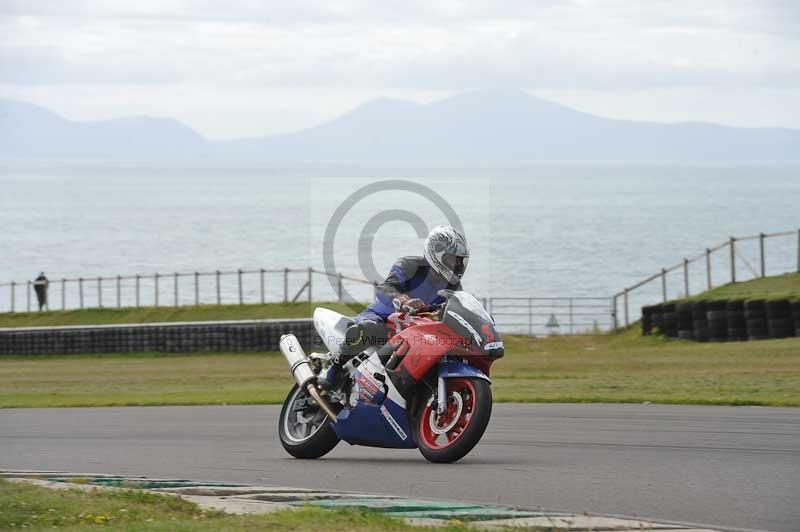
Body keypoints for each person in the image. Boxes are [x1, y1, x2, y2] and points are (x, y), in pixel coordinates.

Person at [319, 225, 469, 388]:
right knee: (367, 329)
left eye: (459, 261)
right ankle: (333, 369)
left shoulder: (453, 287)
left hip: (414, 330)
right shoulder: (409, 266)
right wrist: (401, 299)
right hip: (383, 318)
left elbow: (458, 308)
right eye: (452, 259)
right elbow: (385, 288)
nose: (456, 265)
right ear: (437, 253)